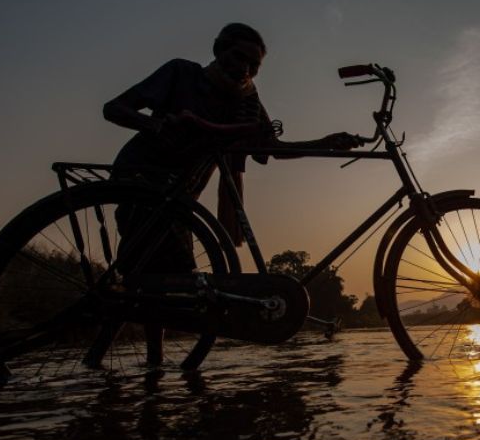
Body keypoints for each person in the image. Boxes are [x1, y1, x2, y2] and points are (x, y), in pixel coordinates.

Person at [103, 22, 358, 364]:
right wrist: (157, 125)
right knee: (149, 276)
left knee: (151, 279)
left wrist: (324, 143)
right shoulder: (182, 73)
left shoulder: (247, 99)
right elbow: (114, 108)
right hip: (142, 179)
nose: (245, 69)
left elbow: (270, 148)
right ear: (218, 50)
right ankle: (146, 362)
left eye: (254, 66)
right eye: (239, 57)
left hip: (181, 201)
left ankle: (147, 365)